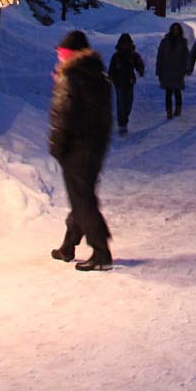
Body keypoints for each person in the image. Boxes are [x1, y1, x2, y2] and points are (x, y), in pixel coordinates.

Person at [48, 30, 114, 270]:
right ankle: (68, 245)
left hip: (76, 148)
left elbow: (63, 115)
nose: (60, 59)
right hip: (95, 146)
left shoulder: (70, 77)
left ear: (72, 55)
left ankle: (101, 251)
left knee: (83, 200)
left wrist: (57, 145)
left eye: (63, 54)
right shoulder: (98, 76)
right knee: (82, 196)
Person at [155, 22, 190, 119]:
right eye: (174, 29)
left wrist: (186, 68)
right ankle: (169, 111)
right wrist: (159, 70)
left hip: (178, 70)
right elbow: (160, 56)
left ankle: (178, 109)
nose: (175, 31)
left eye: (177, 29)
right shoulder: (165, 41)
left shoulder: (182, 42)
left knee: (177, 91)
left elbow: (186, 56)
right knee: (168, 92)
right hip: (167, 70)